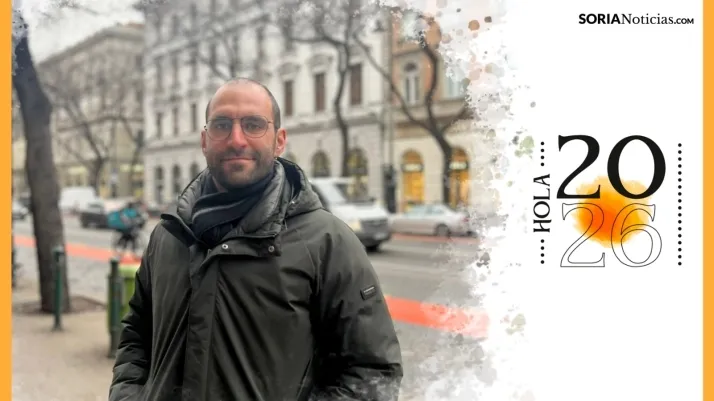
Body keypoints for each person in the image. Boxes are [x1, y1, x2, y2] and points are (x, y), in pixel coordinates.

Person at [109, 78, 403, 401]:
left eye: (253, 125)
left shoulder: (328, 243)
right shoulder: (169, 235)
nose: (237, 139)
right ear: (205, 140)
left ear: (279, 141)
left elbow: (372, 373)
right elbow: (137, 333)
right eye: (222, 125)